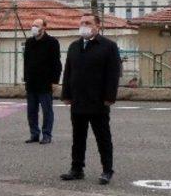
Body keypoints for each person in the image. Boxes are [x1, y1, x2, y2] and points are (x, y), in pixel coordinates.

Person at [60, 14, 121, 185]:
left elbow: (113, 73)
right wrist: (66, 94)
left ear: (97, 26)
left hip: (98, 101)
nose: (84, 25)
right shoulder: (74, 46)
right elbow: (68, 72)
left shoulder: (108, 46)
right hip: (78, 100)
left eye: (88, 23)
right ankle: (77, 168)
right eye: (81, 23)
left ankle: (107, 170)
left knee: (103, 137)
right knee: (78, 137)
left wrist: (110, 97)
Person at [22, 18, 62, 144]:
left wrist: (55, 81)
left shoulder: (52, 42)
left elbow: (56, 63)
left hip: (46, 82)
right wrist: (26, 79)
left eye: (37, 25)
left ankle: (46, 134)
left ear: (44, 27)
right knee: (31, 111)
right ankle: (34, 134)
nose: (34, 28)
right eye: (32, 25)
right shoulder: (29, 42)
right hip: (31, 82)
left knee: (47, 110)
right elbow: (26, 62)